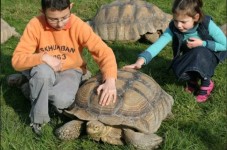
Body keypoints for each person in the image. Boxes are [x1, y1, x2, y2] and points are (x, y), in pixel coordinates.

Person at [11, 0, 117, 136]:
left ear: (70, 7)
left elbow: (104, 52)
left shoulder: (79, 25)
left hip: (71, 70)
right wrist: (42, 57)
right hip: (45, 68)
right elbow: (16, 60)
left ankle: (32, 87)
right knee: (42, 73)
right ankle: (38, 120)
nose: (60, 24)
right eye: (53, 19)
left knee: (63, 100)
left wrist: (110, 79)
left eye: (64, 17)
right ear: (42, 12)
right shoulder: (35, 24)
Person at [123, 0, 227, 102]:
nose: (179, 25)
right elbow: (158, 44)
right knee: (182, 65)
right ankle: (193, 80)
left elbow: (225, 45)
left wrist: (203, 43)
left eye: (183, 22)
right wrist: (140, 61)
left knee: (199, 51)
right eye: (176, 20)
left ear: (196, 17)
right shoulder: (174, 28)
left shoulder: (207, 24)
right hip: (192, 55)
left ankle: (206, 82)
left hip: (210, 56)